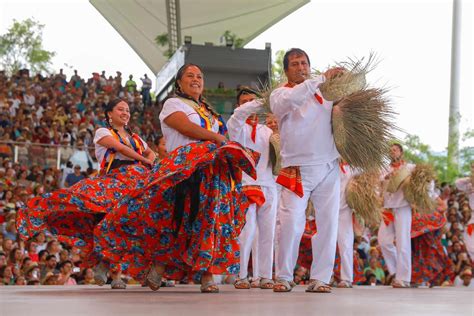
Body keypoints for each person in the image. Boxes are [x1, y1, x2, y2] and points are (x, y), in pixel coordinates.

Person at [93, 63, 257, 293]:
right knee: (170, 216)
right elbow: (186, 127)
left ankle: (206, 276)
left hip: (209, 169)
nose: (196, 79)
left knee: (207, 219)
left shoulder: (210, 112)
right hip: (181, 168)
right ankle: (153, 263)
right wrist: (217, 139)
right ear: (179, 82)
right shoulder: (172, 104)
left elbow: (222, 136)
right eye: (190, 75)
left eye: (199, 76)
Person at [16, 99, 155, 289]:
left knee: (131, 224)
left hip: (135, 183)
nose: (125, 113)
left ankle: (122, 271)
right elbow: (121, 149)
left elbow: (152, 153)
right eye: (120, 109)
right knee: (108, 222)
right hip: (112, 182)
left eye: (128, 110)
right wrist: (143, 160)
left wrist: (149, 161)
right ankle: (109, 269)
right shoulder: (103, 132)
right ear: (109, 114)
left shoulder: (137, 138)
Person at [270, 48, 342, 293]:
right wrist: (320, 79)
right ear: (287, 70)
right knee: (290, 223)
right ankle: (283, 276)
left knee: (329, 223)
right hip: (296, 167)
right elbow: (292, 101)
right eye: (295, 64)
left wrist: (345, 82)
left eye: (304, 63)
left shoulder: (325, 94)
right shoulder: (281, 94)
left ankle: (321, 278)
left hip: (329, 166)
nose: (301, 67)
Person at [227, 87, 277, 290]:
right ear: (239, 105)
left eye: (253, 101)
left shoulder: (268, 131)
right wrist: (262, 100)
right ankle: (241, 276)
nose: (249, 104)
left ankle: (265, 276)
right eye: (245, 101)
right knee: (246, 232)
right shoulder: (236, 127)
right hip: (246, 185)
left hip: (269, 186)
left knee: (268, 234)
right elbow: (240, 115)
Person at [378, 143, 417, 288]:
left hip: (403, 207)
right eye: (390, 151)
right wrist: (387, 176)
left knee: (403, 242)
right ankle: (395, 272)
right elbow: (379, 184)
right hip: (388, 209)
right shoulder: (384, 168)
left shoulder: (410, 167)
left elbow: (424, 181)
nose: (392, 152)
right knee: (383, 241)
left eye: (395, 150)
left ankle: (404, 278)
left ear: (401, 152)